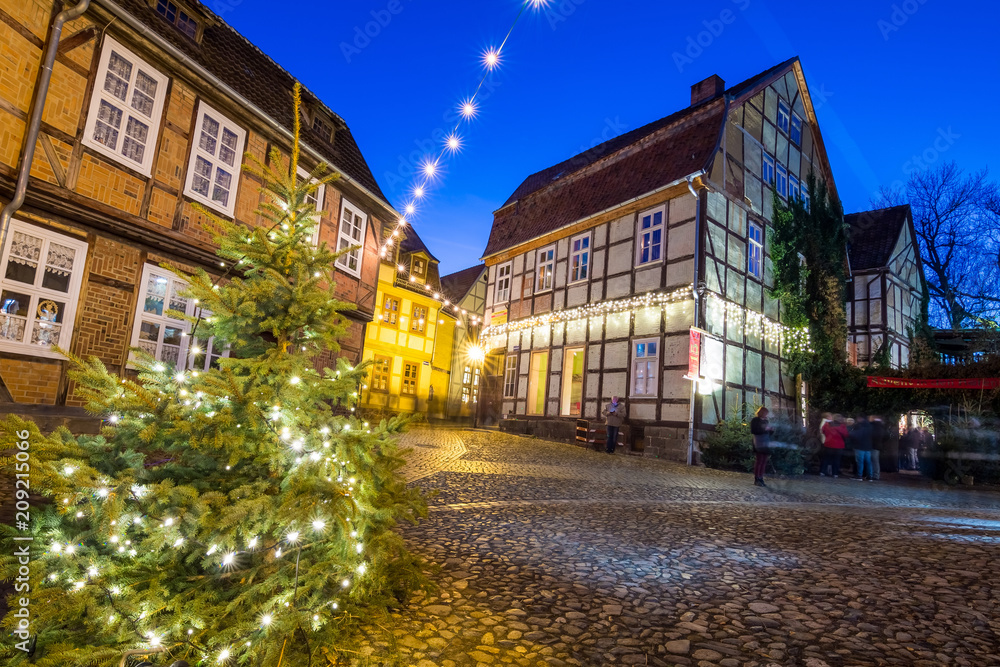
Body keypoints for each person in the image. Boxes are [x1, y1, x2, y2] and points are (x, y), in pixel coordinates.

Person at [749, 406, 774, 487]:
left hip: (765, 442)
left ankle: (761, 477)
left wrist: (771, 430)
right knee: (759, 460)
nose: (766, 415)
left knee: (764, 461)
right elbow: (754, 430)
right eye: (765, 413)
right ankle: (757, 478)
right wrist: (765, 429)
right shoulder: (755, 420)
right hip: (758, 442)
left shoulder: (766, 421)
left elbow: (768, 433)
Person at [850, 414, 874, 481]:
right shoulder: (870, 426)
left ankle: (859, 475)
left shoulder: (859, 425)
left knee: (860, 462)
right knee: (868, 462)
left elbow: (856, 435)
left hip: (859, 446)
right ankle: (870, 476)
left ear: (860, 418)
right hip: (868, 446)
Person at [869, 415, 888, 481]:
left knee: (872, 460)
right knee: (875, 460)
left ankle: (872, 474)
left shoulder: (872, 425)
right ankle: (875, 475)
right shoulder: (882, 426)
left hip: (872, 445)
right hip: (878, 445)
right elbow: (886, 436)